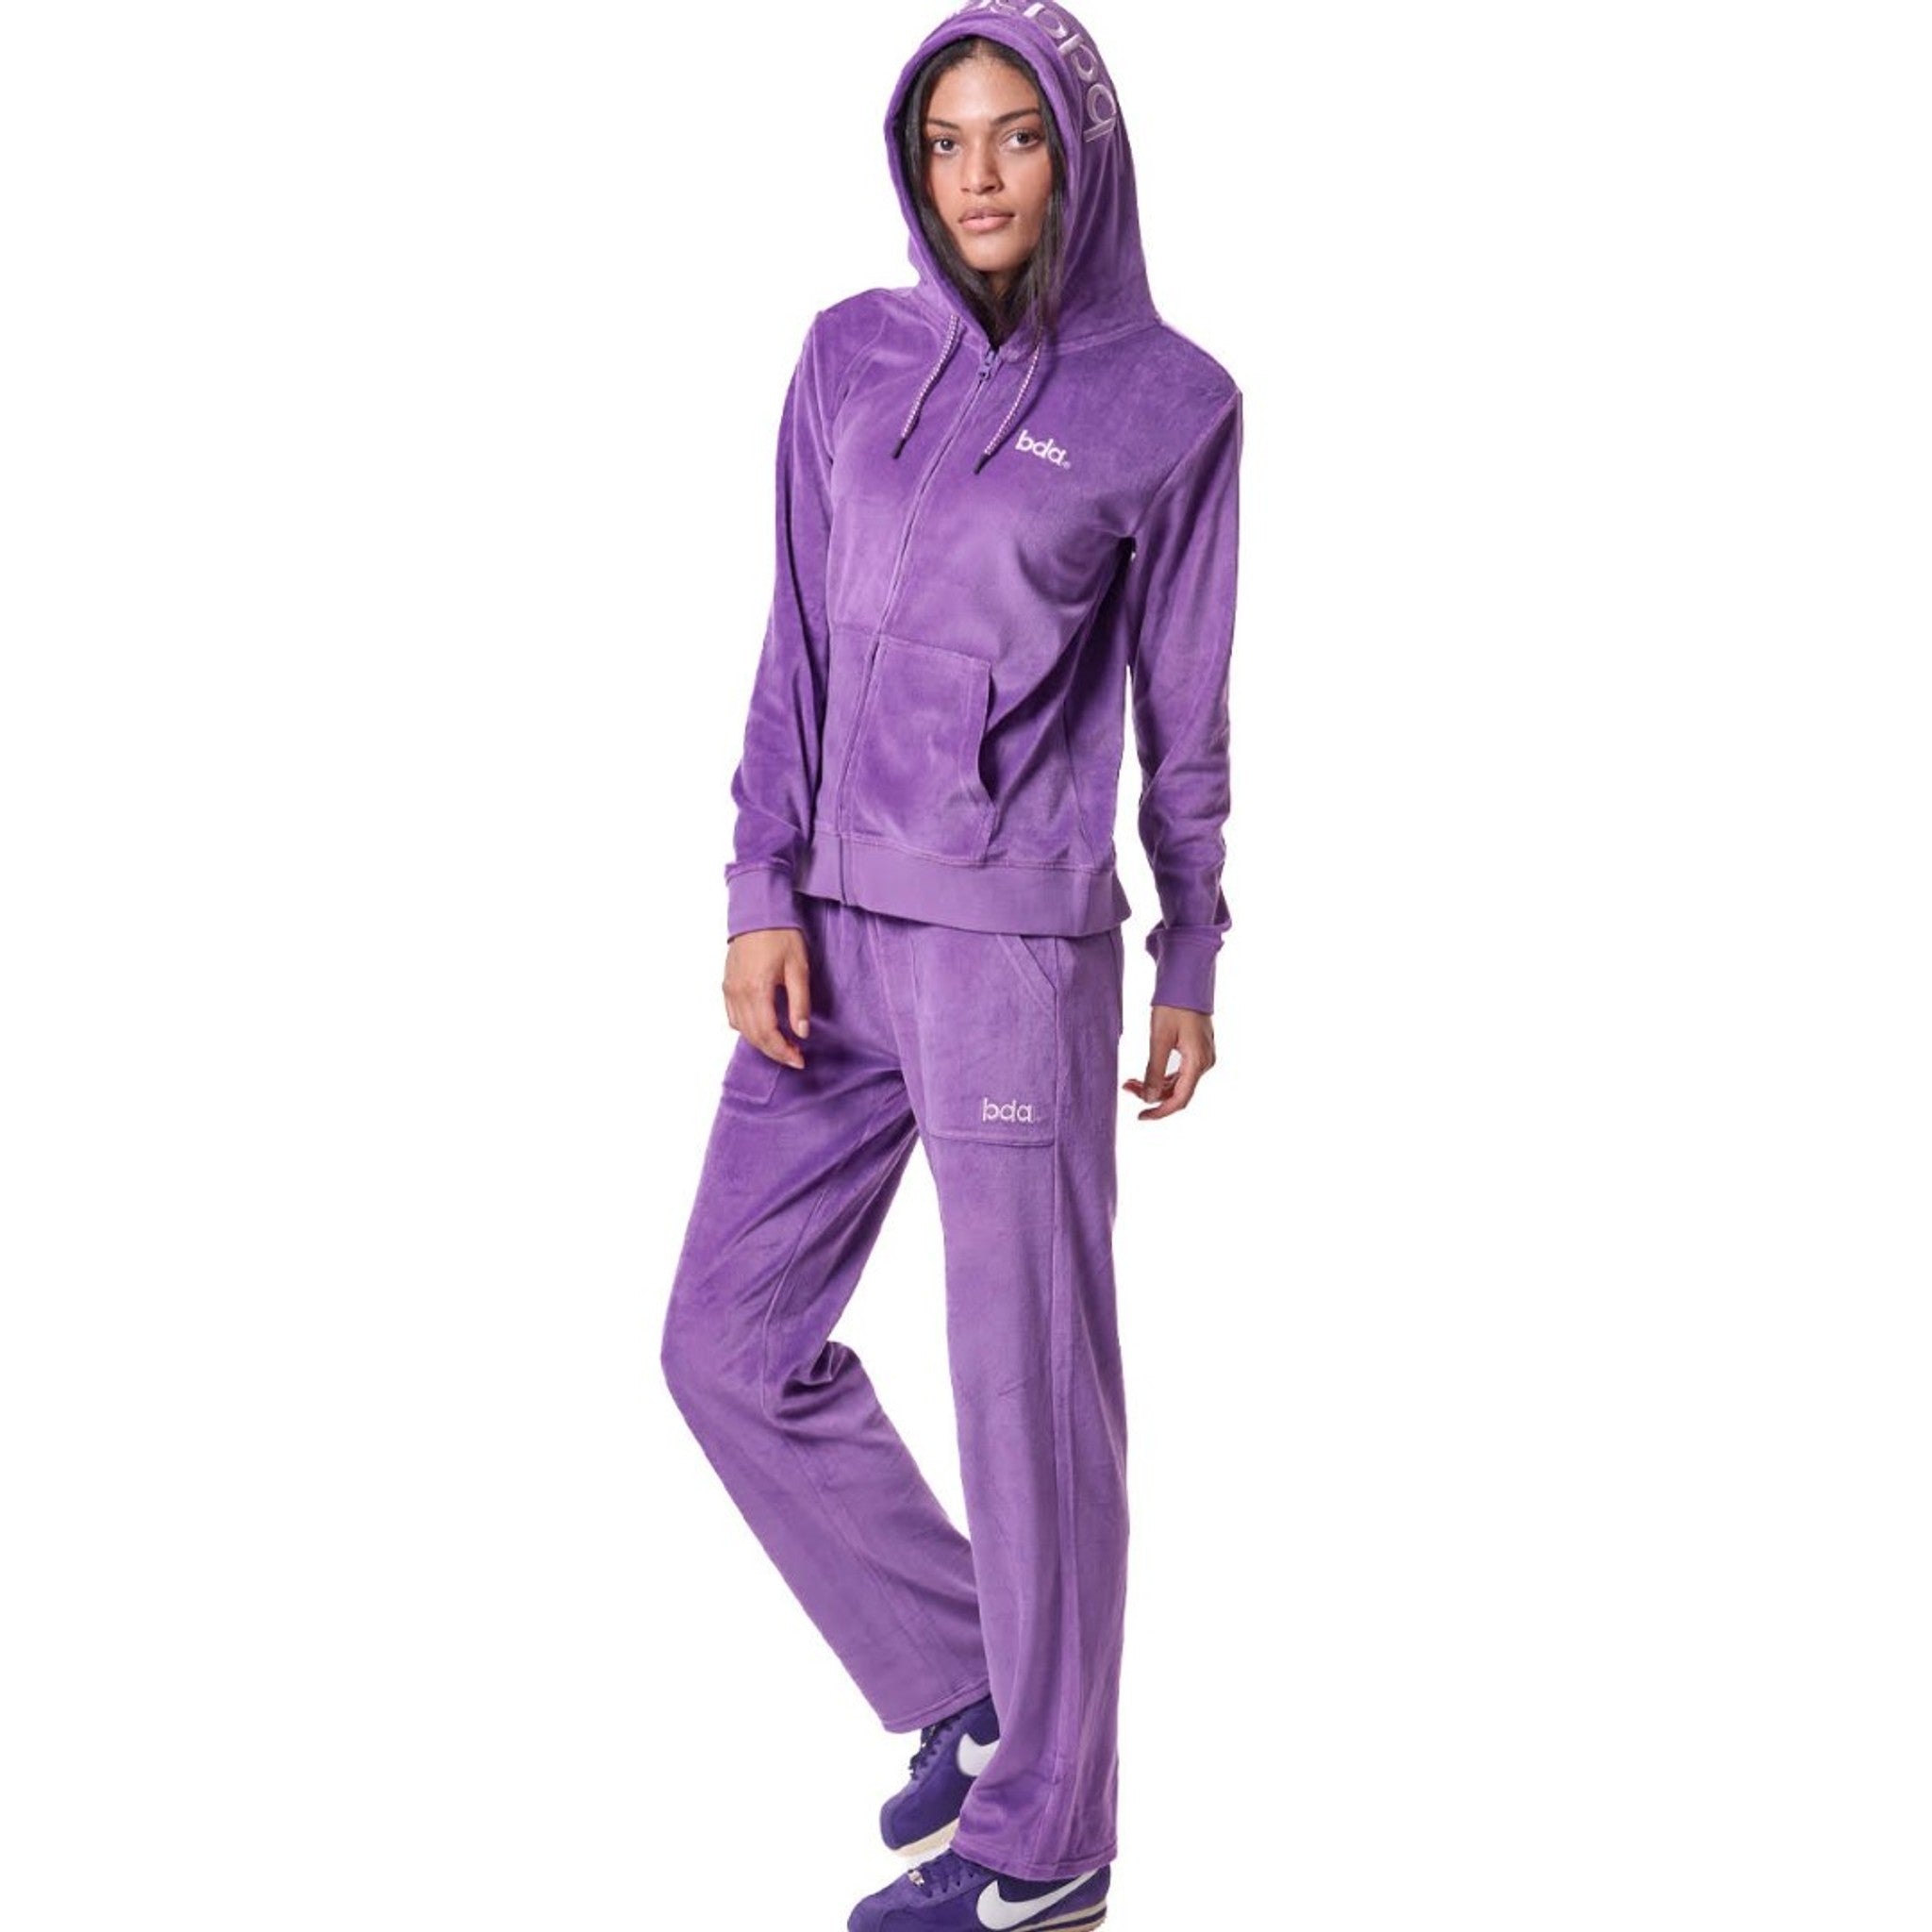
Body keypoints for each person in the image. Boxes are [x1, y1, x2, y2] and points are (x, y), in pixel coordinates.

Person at [659, 6, 1241, 1927]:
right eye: (944, 140)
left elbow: (1184, 713)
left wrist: (1192, 944)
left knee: (1030, 1404)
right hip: (825, 946)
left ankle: (1048, 1847)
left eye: (1017, 136)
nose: (977, 175)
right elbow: (794, 644)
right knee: (726, 1343)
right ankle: (979, 1688)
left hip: (1012, 957)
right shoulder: (849, 357)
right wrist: (757, 883)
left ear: (1081, 155)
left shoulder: (1171, 405)